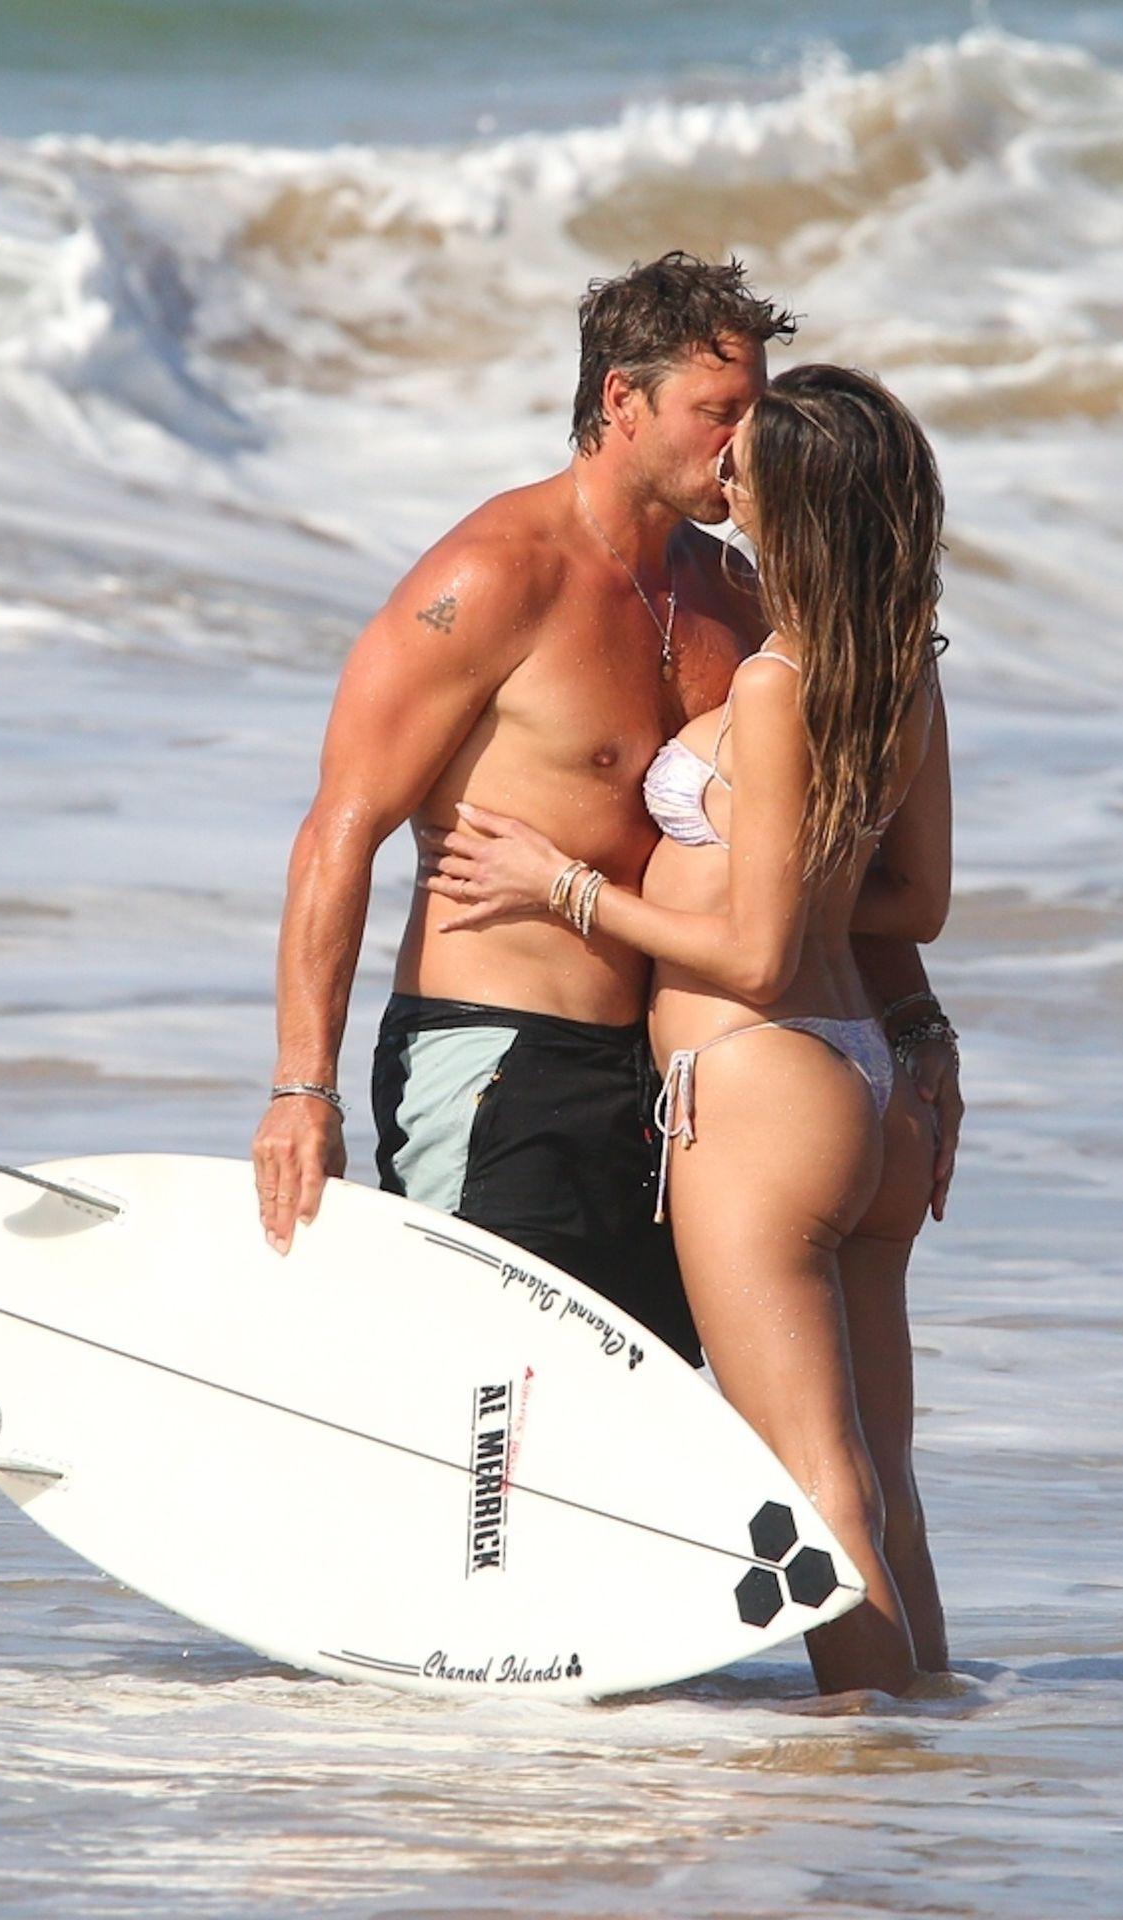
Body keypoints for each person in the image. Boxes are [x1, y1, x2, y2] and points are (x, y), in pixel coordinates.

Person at [250, 252, 962, 1379]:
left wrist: (916, 1028)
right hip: (502, 1058)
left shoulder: (739, 598)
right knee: (478, 1399)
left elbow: (812, 862)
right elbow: (339, 827)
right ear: (623, 399)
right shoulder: (493, 578)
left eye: (755, 414)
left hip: (683, 1081)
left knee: (633, 1420)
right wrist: (303, 1087)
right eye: (718, 412)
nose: (742, 446)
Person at [421, 362, 954, 1696]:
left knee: (807, 1481)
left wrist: (565, 888)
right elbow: (914, 902)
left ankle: (859, 1767)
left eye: (747, 467)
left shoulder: (774, 687)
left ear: (796, 502)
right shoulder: (897, 670)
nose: (726, 480)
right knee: (879, 1475)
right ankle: (931, 1759)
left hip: (760, 1089)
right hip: (862, 1080)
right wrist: (815, 894)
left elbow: (758, 956)